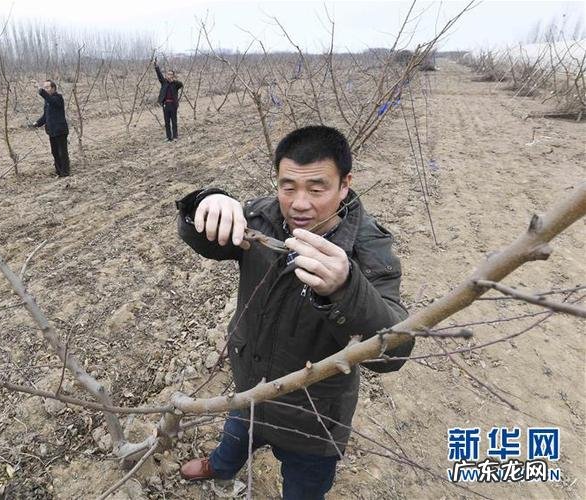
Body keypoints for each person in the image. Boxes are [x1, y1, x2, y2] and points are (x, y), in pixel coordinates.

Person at [175, 125, 415, 499]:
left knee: (304, 488)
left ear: (345, 185)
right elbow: (207, 240)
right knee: (235, 437)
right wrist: (204, 202)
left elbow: (394, 353)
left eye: (316, 189)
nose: (299, 203)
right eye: (288, 187)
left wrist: (345, 288)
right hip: (251, 387)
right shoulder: (261, 217)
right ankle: (220, 467)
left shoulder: (369, 249)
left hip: (313, 417)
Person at [33, 80, 70, 177]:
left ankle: (65, 172)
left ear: (53, 88)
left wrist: (40, 90)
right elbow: (45, 116)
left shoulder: (58, 98)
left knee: (62, 152)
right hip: (51, 131)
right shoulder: (47, 101)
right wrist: (37, 123)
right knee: (55, 152)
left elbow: (52, 101)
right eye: (44, 87)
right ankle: (59, 171)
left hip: (60, 130)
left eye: (47, 87)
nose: (45, 89)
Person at [154, 59, 183, 142]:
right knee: (167, 122)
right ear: (166, 75)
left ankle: (175, 137)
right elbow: (159, 75)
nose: (169, 76)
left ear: (173, 76)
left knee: (174, 121)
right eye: (168, 74)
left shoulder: (175, 84)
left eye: (171, 74)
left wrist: (174, 81)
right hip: (165, 105)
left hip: (173, 105)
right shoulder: (164, 82)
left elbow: (181, 84)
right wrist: (156, 67)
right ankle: (168, 137)